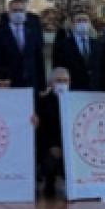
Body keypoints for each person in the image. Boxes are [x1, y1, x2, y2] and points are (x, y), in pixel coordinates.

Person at [0, 0, 48, 91]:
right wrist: (0, 79)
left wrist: (42, 86)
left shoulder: (32, 32)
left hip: (31, 83)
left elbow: (39, 59)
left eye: (21, 10)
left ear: (25, 12)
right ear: (9, 12)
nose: (18, 13)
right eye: (15, 10)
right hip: (9, 83)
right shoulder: (0, 33)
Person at [35, 67, 71, 197]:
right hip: (49, 147)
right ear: (51, 84)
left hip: (70, 148)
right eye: (59, 81)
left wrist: (64, 147)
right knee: (50, 161)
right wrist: (53, 146)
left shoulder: (74, 101)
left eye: (65, 81)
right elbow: (41, 132)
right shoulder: (42, 102)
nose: (62, 84)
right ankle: (49, 183)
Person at [53, 11, 99, 91]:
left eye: (85, 20)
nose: (82, 23)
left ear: (90, 24)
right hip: (73, 90)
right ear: (72, 24)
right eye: (79, 20)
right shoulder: (62, 46)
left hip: (94, 91)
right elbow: (58, 69)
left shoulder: (98, 45)